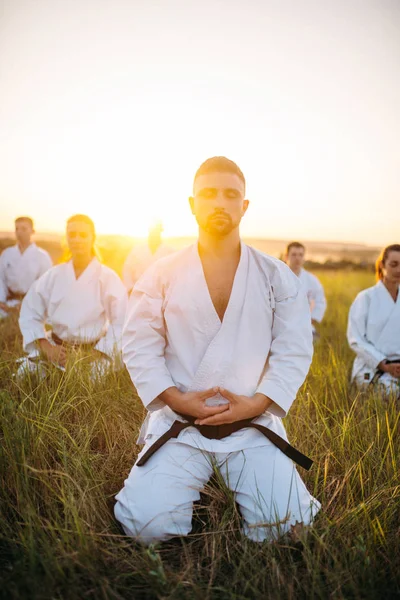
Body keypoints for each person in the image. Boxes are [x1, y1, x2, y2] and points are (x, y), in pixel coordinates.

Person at [115, 157, 320, 544]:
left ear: (244, 206)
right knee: (146, 528)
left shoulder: (275, 275)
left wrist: (257, 403)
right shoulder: (162, 272)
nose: (220, 203)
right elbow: (139, 342)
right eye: (208, 194)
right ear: (192, 204)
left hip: (251, 424)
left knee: (290, 528)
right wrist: (176, 398)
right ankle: (176, 489)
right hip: (181, 424)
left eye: (231, 195)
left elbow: (294, 349)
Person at [17, 214, 127, 380]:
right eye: (72, 234)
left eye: (83, 235)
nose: (77, 239)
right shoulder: (54, 275)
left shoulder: (107, 277)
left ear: (93, 238)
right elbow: (30, 312)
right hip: (56, 347)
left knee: (88, 382)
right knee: (25, 374)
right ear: (66, 238)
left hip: (93, 352)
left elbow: (121, 322)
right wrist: (47, 348)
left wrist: (94, 353)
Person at [347, 244, 400, 393]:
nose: (398, 270)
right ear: (382, 265)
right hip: (372, 368)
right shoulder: (365, 298)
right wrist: (384, 365)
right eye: (393, 264)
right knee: (390, 393)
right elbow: (356, 340)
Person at [0, 217, 52, 319]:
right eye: (17, 229)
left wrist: (29, 303)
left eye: (24, 229)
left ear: (32, 231)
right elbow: (1, 279)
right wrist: (1, 302)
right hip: (8, 302)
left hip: (32, 304)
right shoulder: (7, 254)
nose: (19, 232)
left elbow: (45, 285)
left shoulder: (42, 256)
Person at [285, 242, 327, 339]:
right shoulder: (278, 278)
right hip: (280, 327)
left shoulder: (312, 280)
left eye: (301, 255)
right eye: (294, 254)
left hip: (305, 327)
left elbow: (320, 302)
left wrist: (309, 320)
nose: (297, 258)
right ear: (286, 256)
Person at [122, 220, 174, 293]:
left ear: (161, 231)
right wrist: (130, 288)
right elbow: (127, 270)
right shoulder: (137, 250)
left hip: (160, 294)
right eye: (152, 230)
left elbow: (173, 275)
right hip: (138, 292)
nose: (154, 232)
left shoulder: (169, 251)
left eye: (156, 230)